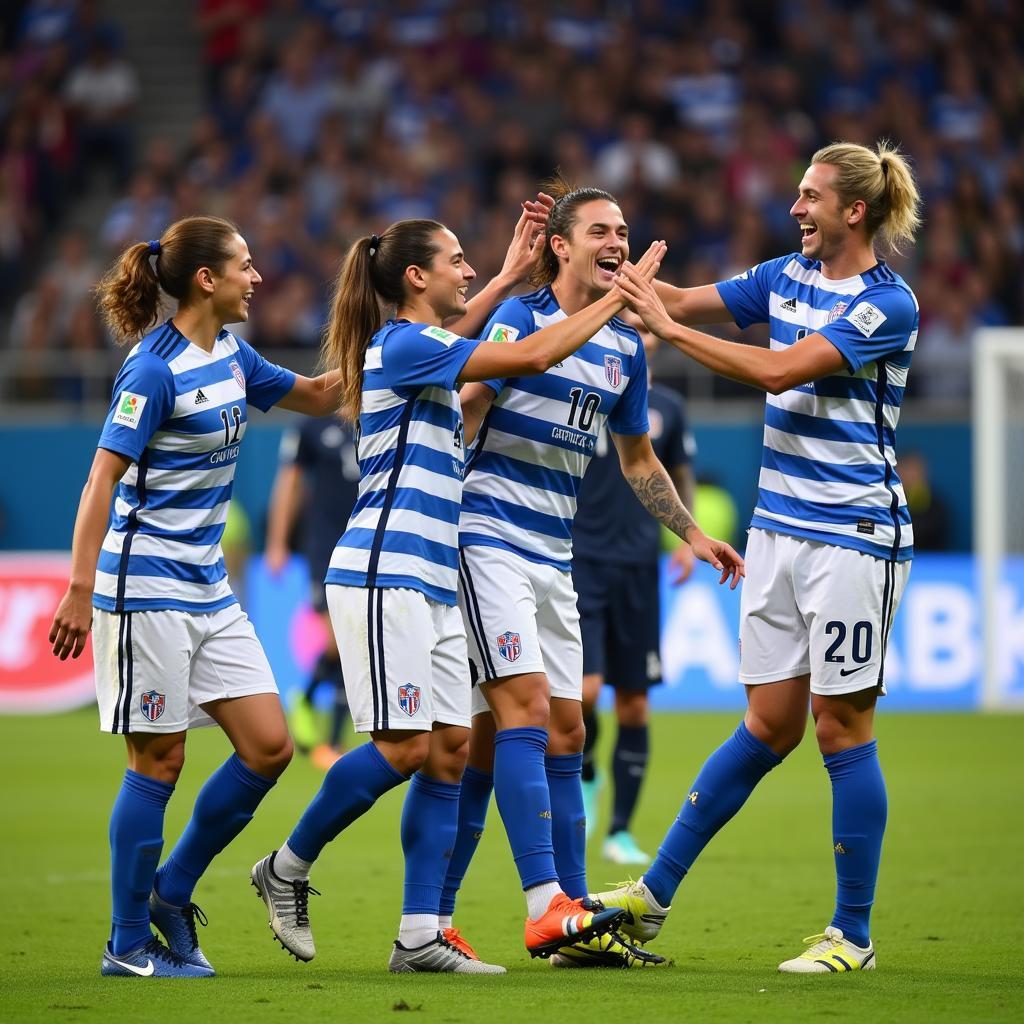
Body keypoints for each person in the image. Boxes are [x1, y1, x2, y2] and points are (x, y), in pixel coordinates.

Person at [251, 212, 669, 974]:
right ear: (416, 276)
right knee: (408, 747)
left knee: (448, 752)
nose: (469, 270)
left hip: (435, 573)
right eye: (456, 260)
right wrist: (623, 294)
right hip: (387, 568)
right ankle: (287, 864)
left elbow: (482, 343)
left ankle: (419, 936)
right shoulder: (405, 346)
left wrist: (512, 277)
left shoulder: (430, 349)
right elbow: (533, 351)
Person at [600, 140, 922, 974]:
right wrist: (606, 274)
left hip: (853, 537)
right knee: (767, 723)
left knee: (839, 724)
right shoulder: (785, 275)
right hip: (777, 531)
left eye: (810, 197)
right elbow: (676, 300)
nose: (795, 209)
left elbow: (782, 371)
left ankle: (853, 936)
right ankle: (653, 895)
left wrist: (666, 325)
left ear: (854, 210)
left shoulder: (889, 305)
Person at [438, 179, 743, 969]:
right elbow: (469, 398)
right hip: (487, 539)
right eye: (601, 229)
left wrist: (693, 531)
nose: (618, 240)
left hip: (552, 553)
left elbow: (637, 458)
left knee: (560, 728)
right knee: (528, 713)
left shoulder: (622, 353)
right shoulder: (520, 317)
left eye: (625, 229)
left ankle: (566, 927)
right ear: (560, 246)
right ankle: (547, 906)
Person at [48, 215, 347, 979]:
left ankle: (171, 893)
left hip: (207, 588)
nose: (257, 277)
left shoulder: (235, 355)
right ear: (207, 280)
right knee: (159, 760)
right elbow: (100, 480)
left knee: (270, 745)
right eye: (244, 266)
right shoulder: (153, 370)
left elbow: (318, 394)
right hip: (143, 585)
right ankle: (125, 943)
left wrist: (410, 337)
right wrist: (79, 590)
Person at [573, 316, 698, 866]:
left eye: (645, 328)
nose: (638, 336)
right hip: (580, 558)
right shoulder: (581, 384)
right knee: (582, 692)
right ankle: (587, 770)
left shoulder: (667, 406)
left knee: (634, 701)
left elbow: (678, 470)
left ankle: (620, 830)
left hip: (638, 566)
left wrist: (686, 539)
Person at [265, 415, 361, 768]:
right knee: (338, 643)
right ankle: (327, 734)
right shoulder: (311, 425)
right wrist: (277, 542)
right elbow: (289, 483)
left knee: (355, 645)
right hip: (325, 548)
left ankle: (321, 724)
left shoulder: (382, 403)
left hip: (369, 544)